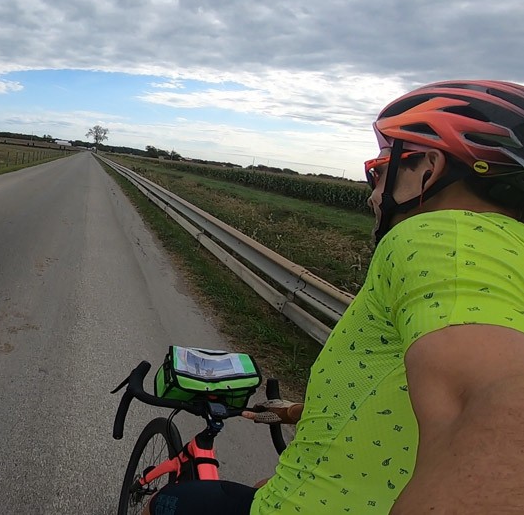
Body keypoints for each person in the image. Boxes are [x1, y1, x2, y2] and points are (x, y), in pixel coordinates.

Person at [144, 80, 524, 514]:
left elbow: (498, 404)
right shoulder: (504, 258)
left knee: (165, 502)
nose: (372, 193)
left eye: (380, 169)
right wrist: (297, 413)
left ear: (429, 168)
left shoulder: (443, 238)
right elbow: (402, 386)